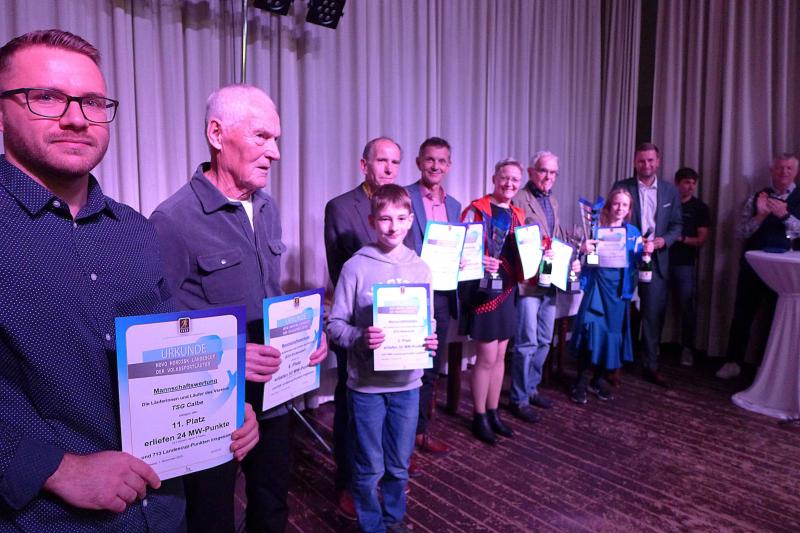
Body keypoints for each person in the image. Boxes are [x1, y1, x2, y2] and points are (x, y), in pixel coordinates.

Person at [0, 30, 257, 531]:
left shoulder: (135, 230)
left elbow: (170, 348)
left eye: (93, 102)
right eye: (47, 97)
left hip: (164, 510)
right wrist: (55, 468)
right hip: (48, 520)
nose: (77, 118)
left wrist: (221, 404)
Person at [151, 84, 327, 533]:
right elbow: (155, 332)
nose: (276, 153)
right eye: (262, 137)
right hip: (213, 405)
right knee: (212, 518)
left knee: (272, 508)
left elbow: (270, 293)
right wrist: (228, 355)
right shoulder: (172, 220)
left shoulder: (267, 206)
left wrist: (309, 331)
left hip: (275, 395)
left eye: (277, 139)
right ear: (217, 134)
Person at [327, 184, 438, 533]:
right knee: (368, 466)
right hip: (367, 388)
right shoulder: (355, 267)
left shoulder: (421, 268)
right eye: (386, 219)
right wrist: (361, 337)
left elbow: (428, 320)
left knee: (399, 464)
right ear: (373, 221)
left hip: (408, 384)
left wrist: (430, 339)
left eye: (401, 218)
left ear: (411, 220)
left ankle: (394, 519)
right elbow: (335, 326)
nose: (393, 226)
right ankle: (372, 526)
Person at [324, 137, 402, 518]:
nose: (388, 168)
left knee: (388, 408)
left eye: (395, 162)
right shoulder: (340, 207)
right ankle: (347, 482)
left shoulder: (401, 205)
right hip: (356, 326)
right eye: (382, 160)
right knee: (350, 407)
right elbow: (339, 271)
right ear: (364, 165)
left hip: (396, 329)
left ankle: (382, 475)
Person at [716, 153, 800, 380]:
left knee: (776, 318)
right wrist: (760, 216)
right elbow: (739, 233)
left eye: (789, 168)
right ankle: (733, 362)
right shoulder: (757, 197)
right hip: (753, 266)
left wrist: (785, 216)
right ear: (772, 171)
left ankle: (767, 368)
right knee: (742, 314)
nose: (784, 172)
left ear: (796, 172)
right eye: (780, 168)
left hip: (785, 271)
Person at [459, 158, 525, 444]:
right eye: (504, 177)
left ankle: (494, 412)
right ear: (494, 178)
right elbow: (460, 253)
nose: (509, 183)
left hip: (508, 290)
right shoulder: (476, 210)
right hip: (484, 292)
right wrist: (478, 260)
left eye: (515, 179)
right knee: (485, 358)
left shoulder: (519, 214)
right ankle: (479, 416)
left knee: (500, 357)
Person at [509, 151, 577, 422]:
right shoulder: (518, 199)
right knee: (526, 342)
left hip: (550, 280)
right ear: (531, 172)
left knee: (545, 339)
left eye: (552, 172)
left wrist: (572, 256)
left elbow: (555, 238)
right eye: (543, 171)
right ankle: (519, 398)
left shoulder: (553, 201)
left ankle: (532, 387)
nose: (548, 177)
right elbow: (513, 240)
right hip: (528, 282)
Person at [404, 137, 461, 457]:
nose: (435, 166)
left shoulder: (454, 206)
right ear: (418, 162)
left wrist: (463, 260)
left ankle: (419, 433)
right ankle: (400, 442)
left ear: (448, 166)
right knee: (407, 368)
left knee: (431, 368)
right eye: (429, 160)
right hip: (411, 294)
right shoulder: (404, 196)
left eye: (441, 161)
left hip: (442, 296)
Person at [570, 189, 654, 403]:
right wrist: (584, 251)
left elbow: (638, 261)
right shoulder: (595, 228)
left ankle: (597, 380)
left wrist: (647, 251)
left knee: (610, 335)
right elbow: (583, 259)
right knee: (589, 332)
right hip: (597, 285)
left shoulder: (633, 232)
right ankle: (580, 381)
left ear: (629, 209)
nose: (620, 208)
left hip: (619, 291)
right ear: (609, 205)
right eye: (616, 203)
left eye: (625, 205)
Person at [615, 142, 682, 387]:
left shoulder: (670, 191)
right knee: (621, 313)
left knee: (653, 315)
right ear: (635, 162)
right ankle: (615, 364)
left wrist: (663, 241)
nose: (646, 165)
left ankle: (651, 365)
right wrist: (633, 240)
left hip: (656, 260)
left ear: (658, 162)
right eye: (642, 160)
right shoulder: (622, 187)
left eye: (650, 160)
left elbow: (677, 225)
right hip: (626, 260)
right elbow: (612, 219)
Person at [669, 168, 710, 367]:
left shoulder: (700, 208)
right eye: (686, 182)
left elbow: (701, 240)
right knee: (655, 305)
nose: (691, 186)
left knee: (687, 306)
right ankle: (652, 346)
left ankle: (687, 348)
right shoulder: (667, 203)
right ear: (677, 183)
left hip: (684, 263)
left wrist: (681, 238)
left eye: (693, 183)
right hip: (661, 261)